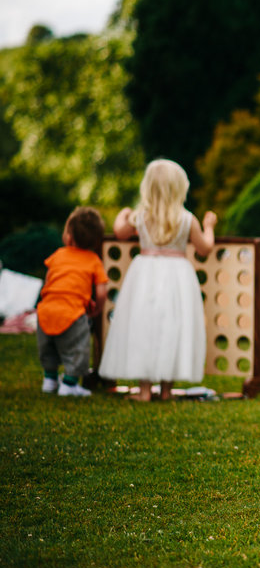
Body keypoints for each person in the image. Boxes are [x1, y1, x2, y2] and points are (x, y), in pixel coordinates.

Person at [98, 159, 217, 401]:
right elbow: (205, 247)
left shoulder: (141, 216)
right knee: (173, 326)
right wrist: (209, 226)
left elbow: (120, 231)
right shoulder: (187, 219)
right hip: (177, 277)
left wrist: (123, 213)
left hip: (145, 275)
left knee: (144, 326)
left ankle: (144, 391)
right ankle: (166, 390)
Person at [36, 207, 109, 397]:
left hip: (46, 310)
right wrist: (97, 307)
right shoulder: (93, 260)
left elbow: (50, 279)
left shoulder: (58, 255)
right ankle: (69, 384)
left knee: (48, 348)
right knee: (78, 348)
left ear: (69, 237)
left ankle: (50, 380)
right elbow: (101, 290)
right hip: (72, 313)